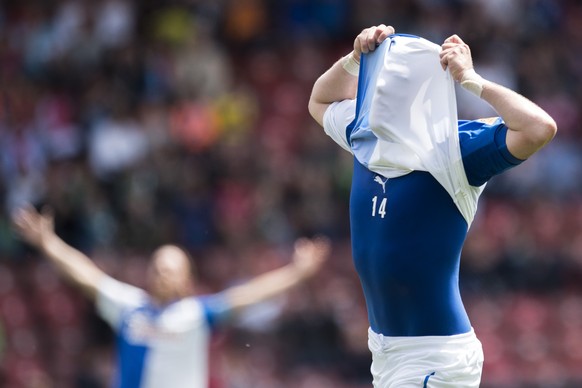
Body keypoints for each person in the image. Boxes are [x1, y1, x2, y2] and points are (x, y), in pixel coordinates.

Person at [308, 24, 556, 387]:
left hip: (434, 356)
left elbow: (540, 127)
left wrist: (472, 80)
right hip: (386, 351)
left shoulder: (455, 147)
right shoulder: (364, 131)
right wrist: (354, 59)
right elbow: (319, 100)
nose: (373, 89)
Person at [11, 205, 330, 388]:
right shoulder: (128, 305)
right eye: (158, 266)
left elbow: (248, 295)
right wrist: (48, 244)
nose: (162, 272)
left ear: (187, 280)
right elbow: (87, 275)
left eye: (172, 268)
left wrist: (297, 273)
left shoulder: (197, 313)